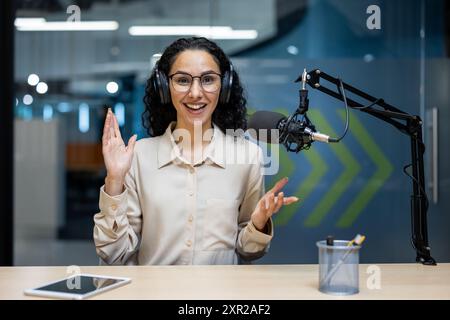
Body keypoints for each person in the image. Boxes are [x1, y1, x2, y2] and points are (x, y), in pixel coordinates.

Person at [93, 37, 298, 265]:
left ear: (225, 86)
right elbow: (114, 253)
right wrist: (114, 180)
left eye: (208, 79)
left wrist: (258, 223)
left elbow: (248, 252)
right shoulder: (138, 157)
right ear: (164, 87)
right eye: (182, 80)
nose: (195, 93)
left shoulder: (247, 156)